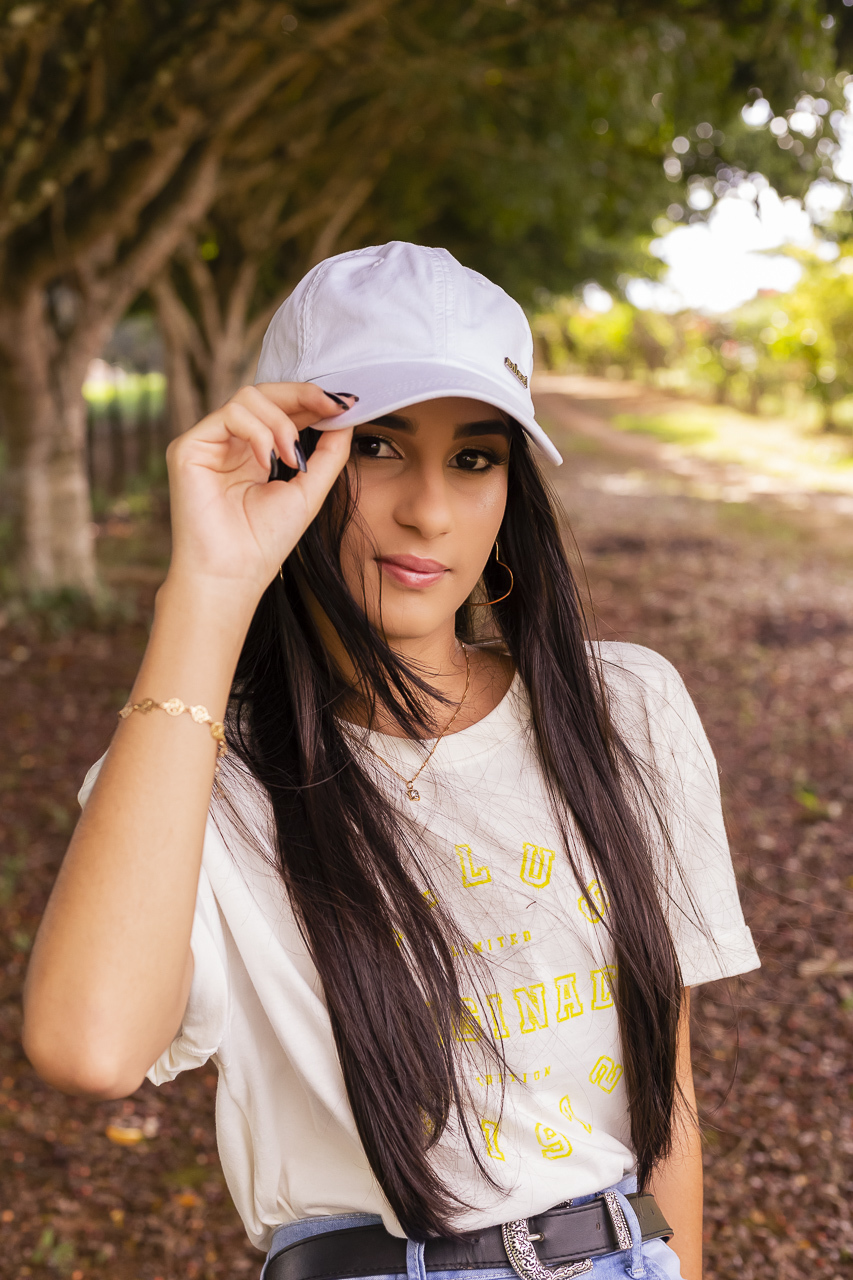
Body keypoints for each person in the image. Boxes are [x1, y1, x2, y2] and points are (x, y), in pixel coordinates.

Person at [23, 242, 759, 1280]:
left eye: (474, 457)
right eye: (375, 446)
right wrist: (209, 590)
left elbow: (663, 1089)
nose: (428, 510)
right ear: (288, 456)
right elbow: (87, 1046)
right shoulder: (198, 778)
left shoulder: (624, 708)